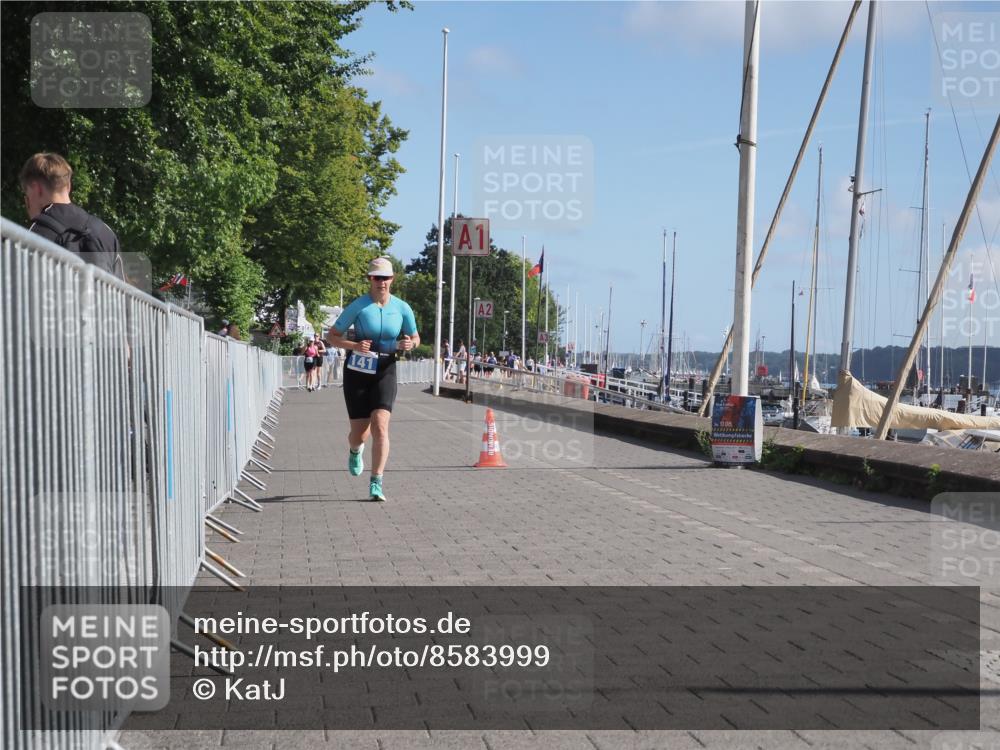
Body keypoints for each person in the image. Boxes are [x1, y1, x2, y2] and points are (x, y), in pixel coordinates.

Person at [325, 257, 419, 502]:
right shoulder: (359, 306)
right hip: (358, 370)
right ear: (370, 279)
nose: (381, 283)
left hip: (385, 369)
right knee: (360, 433)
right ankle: (355, 450)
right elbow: (332, 337)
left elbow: (415, 337)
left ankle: (376, 481)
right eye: (377, 278)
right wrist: (354, 345)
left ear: (392, 279)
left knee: (380, 425)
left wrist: (411, 343)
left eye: (385, 278)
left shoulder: (402, 308)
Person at [20, 152, 124, 279]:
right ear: (68, 186)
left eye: (27, 194)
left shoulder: (39, 230)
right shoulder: (105, 231)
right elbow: (122, 291)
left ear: (37, 189)